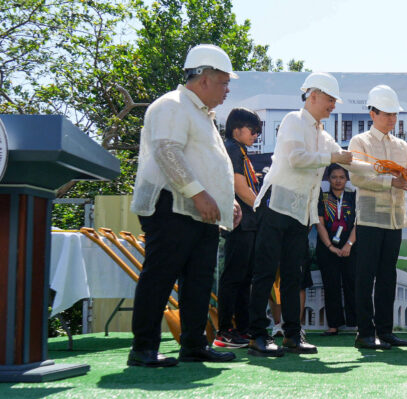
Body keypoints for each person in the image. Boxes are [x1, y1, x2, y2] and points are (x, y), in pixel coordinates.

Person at [127, 44, 241, 367]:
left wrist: (223, 201)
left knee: (199, 281)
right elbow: (167, 151)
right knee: (161, 275)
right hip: (170, 206)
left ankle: (194, 344)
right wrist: (199, 194)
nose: (227, 89)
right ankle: (143, 347)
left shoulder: (202, 115)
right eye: (223, 82)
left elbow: (208, 164)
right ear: (203, 79)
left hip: (198, 211)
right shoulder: (172, 105)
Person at [247, 72, 360, 357]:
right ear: (313, 96)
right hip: (276, 207)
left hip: (300, 214)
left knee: (293, 277)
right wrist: (333, 157)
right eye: (330, 99)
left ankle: (292, 336)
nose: (333, 105)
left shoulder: (323, 135)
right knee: (263, 274)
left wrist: (388, 171)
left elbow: (347, 160)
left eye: (334, 100)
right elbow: (297, 159)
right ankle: (257, 336)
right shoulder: (292, 121)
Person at [348, 85, 407, 350]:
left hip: (395, 219)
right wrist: (391, 182)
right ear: (372, 113)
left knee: (388, 276)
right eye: (387, 114)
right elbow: (357, 176)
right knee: (365, 276)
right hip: (369, 219)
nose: (392, 119)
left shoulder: (402, 146)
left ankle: (385, 332)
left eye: (395, 114)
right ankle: (365, 333)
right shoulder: (360, 142)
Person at [214, 108, 262, 349]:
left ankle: (242, 329)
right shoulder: (232, 149)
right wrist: (262, 209)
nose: (256, 135)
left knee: (244, 279)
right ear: (236, 129)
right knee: (233, 277)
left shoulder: (241, 151)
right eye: (253, 130)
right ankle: (225, 330)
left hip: (248, 223)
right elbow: (239, 187)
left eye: (258, 132)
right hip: (238, 222)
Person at [315, 164, 357, 336]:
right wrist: (331, 247)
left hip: (351, 247)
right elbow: (319, 223)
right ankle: (333, 325)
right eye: (334, 177)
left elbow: (358, 223)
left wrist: (349, 244)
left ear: (347, 179)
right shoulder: (322, 197)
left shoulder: (353, 196)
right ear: (328, 178)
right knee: (330, 285)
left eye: (341, 177)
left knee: (352, 284)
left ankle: (355, 323)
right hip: (327, 248)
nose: (338, 180)